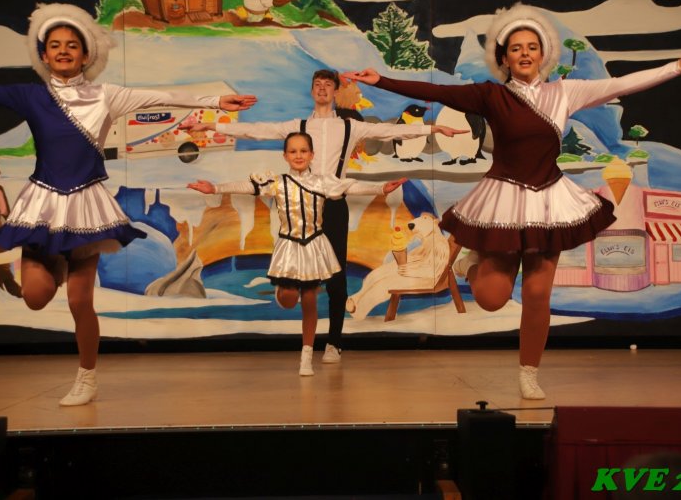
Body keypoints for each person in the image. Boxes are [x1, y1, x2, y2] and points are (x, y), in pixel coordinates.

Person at [344, 3, 681, 399]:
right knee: (492, 299)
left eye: (532, 47)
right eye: (516, 48)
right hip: (504, 202)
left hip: (549, 203)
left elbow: (622, 85)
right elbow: (437, 91)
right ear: (504, 58)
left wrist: (678, 67)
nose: (524, 53)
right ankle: (469, 262)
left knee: (538, 293)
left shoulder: (565, 93)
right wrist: (381, 80)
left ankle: (529, 371)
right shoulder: (491, 95)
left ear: (543, 54)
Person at [0, 3, 257, 406]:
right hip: (43, 206)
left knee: (80, 301)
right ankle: (54, 261)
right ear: (43, 55)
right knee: (36, 297)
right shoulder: (31, 95)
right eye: (55, 45)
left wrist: (216, 99)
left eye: (71, 45)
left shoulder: (106, 95)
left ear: (85, 55)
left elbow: (161, 96)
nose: (63, 50)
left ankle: (87, 377)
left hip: (87, 208)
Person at [181, 69, 467, 364]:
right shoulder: (298, 126)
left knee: (336, 276)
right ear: (312, 91)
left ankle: (334, 342)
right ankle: (289, 295)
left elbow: (390, 132)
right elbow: (258, 129)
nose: (322, 89)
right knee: (296, 273)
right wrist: (211, 125)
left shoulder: (350, 126)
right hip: (299, 205)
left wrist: (434, 130)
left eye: (328, 85)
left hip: (333, 203)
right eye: (317, 84)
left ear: (335, 92)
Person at [188, 131, 406, 375]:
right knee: (291, 298)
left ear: (312, 155)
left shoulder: (323, 182)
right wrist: (215, 188)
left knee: (310, 297)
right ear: (285, 156)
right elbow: (247, 187)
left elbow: (351, 187)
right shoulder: (277, 182)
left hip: (314, 244)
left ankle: (306, 357)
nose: (298, 155)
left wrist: (380, 188)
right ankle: (284, 290)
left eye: (303, 151)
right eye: (293, 151)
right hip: (289, 246)